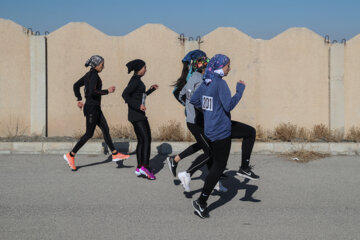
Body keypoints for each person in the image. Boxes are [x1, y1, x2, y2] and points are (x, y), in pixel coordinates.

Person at [189, 54, 245, 218]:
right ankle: (201, 202)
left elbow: (194, 100)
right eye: (228, 65)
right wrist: (239, 92)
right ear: (220, 66)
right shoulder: (220, 83)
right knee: (218, 168)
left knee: (248, 132)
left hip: (210, 130)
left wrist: (210, 112)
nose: (229, 68)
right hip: (221, 132)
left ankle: (245, 167)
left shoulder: (207, 80)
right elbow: (228, 106)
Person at [167, 56, 227, 193]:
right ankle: (187, 173)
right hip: (197, 122)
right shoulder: (201, 81)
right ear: (204, 68)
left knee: (204, 145)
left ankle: (175, 160)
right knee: (211, 151)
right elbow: (200, 103)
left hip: (191, 120)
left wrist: (188, 109)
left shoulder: (192, 78)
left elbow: (182, 95)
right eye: (209, 67)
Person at [63, 55, 130, 171]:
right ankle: (71, 155)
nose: (103, 67)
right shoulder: (93, 75)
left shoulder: (89, 75)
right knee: (89, 134)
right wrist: (107, 91)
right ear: (96, 65)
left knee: (105, 129)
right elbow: (92, 92)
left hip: (95, 108)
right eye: (102, 64)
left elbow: (76, 86)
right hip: (91, 109)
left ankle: (114, 153)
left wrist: (79, 99)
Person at [122, 59, 158, 180]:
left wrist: (150, 90)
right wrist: (138, 106)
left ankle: (139, 167)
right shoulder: (135, 81)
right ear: (139, 69)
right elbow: (125, 95)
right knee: (146, 139)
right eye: (144, 67)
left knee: (142, 140)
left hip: (137, 114)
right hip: (137, 115)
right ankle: (145, 167)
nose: (145, 70)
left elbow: (139, 96)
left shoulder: (137, 81)